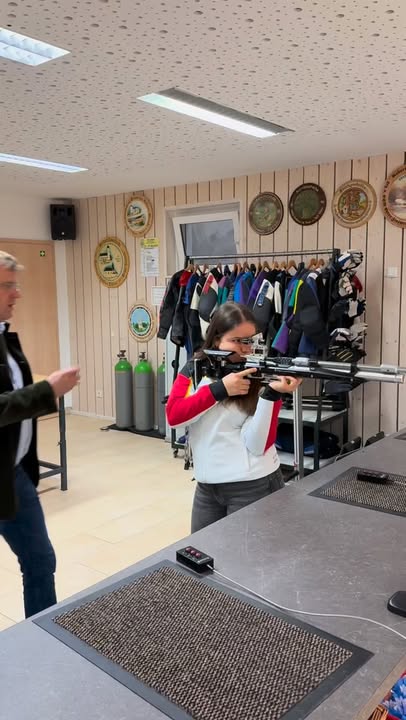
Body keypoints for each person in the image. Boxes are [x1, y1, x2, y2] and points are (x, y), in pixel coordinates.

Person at [166, 301, 302, 532]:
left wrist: (271, 395)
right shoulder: (195, 368)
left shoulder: (258, 371)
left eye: (249, 340)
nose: (245, 349)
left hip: (253, 484)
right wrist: (220, 390)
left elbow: (259, 445)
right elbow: (174, 415)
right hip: (207, 486)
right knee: (201, 550)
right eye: (237, 341)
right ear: (216, 339)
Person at [0, 251, 80, 617]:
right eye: (7, 286)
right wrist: (47, 391)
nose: (17, 294)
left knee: (40, 560)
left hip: (13, 474)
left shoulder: (4, 337)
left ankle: (39, 638)